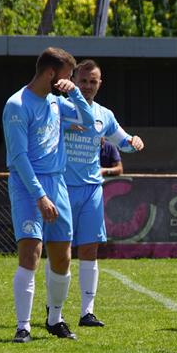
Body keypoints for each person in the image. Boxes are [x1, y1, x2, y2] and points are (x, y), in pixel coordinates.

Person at [4, 47, 96, 343]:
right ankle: (23, 326)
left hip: (58, 184)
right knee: (30, 252)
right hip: (28, 186)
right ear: (51, 74)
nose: (71, 81)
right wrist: (40, 196)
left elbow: (90, 121)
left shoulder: (58, 102)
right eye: (68, 76)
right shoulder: (17, 104)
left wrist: (76, 95)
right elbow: (18, 157)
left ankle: (55, 319)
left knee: (62, 256)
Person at [63, 59, 144, 328]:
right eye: (83, 81)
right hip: (61, 188)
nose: (87, 86)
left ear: (100, 83)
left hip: (92, 191)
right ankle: (55, 311)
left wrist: (134, 142)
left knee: (89, 249)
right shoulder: (60, 107)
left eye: (92, 82)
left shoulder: (104, 115)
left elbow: (123, 141)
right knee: (58, 250)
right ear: (74, 80)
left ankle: (87, 312)